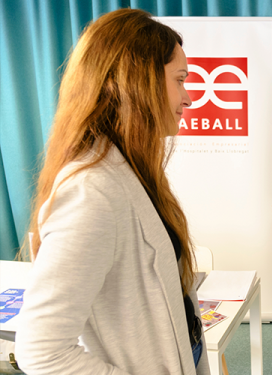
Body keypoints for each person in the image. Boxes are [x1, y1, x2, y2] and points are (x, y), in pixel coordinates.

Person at [15, 9, 210, 375]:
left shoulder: (133, 168)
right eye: (180, 80)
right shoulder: (91, 192)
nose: (187, 97)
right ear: (138, 80)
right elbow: (41, 351)